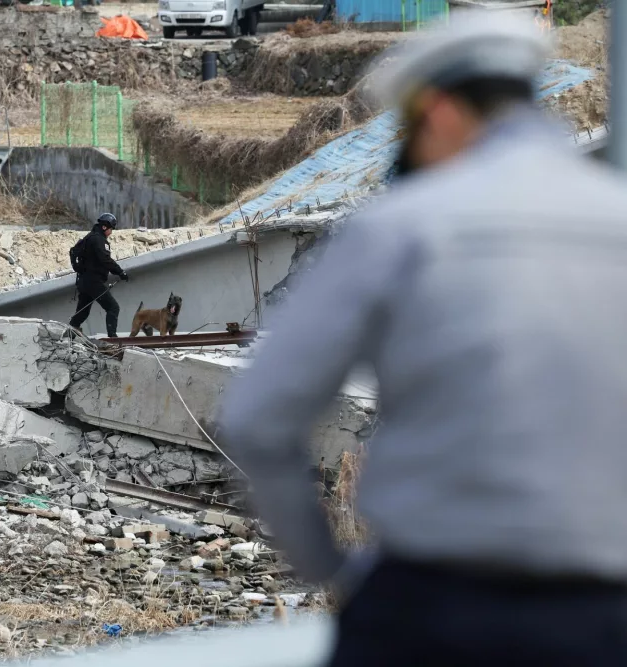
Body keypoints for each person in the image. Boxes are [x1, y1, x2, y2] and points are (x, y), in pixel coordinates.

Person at [220, 11, 627, 666]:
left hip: (429, 612)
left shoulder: (399, 227)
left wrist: (335, 573)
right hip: (604, 618)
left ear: (437, 112)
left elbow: (257, 418)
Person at [69, 213, 129, 337]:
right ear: (104, 227)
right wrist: (120, 272)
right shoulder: (98, 240)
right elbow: (105, 259)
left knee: (83, 311)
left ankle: (69, 334)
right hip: (93, 282)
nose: (111, 232)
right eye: (111, 229)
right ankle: (112, 339)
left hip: (84, 281)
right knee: (113, 308)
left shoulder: (89, 237)